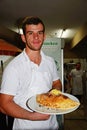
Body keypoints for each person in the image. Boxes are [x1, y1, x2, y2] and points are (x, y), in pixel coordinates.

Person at [0, 16, 62, 130]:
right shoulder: (14, 67)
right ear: (23, 38)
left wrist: (54, 93)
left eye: (39, 32)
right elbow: (4, 105)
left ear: (44, 36)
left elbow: (57, 83)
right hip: (26, 126)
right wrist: (32, 116)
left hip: (53, 125)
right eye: (30, 33)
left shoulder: (50, 62)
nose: (36, 37)